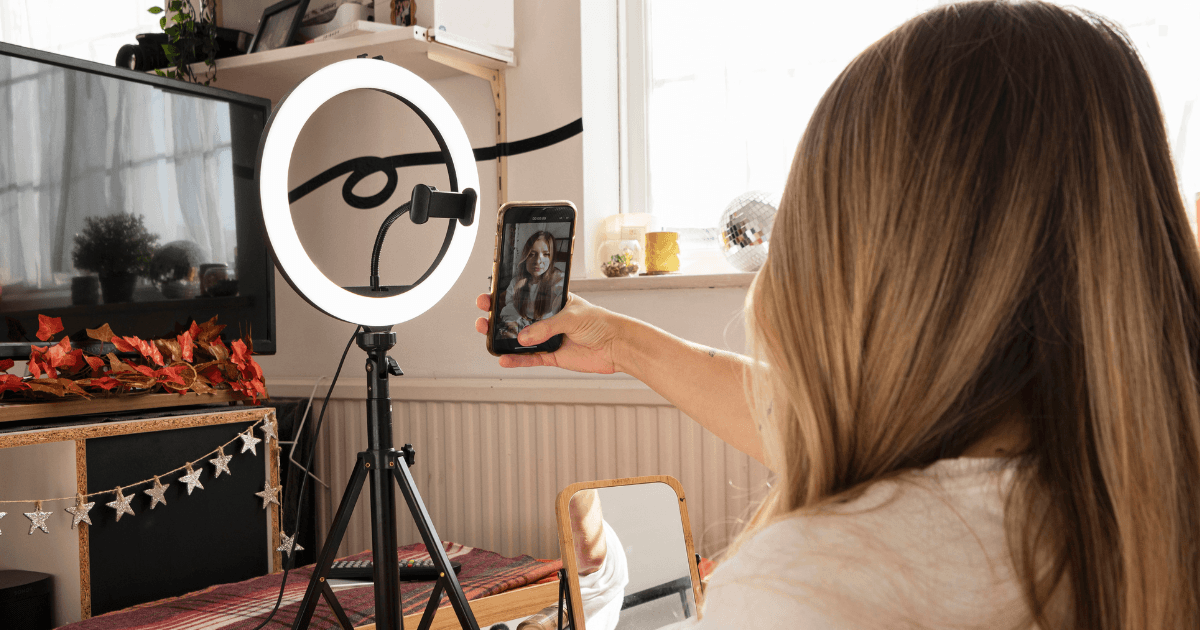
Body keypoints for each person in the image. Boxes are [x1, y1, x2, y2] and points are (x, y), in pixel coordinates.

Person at [476, 1, 1200, 628]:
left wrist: (605, 586)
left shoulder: (814, 582)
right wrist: (622, 341)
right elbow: (842, 431)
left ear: (873, 269)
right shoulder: (1149, 501)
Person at [497, 231, 565, 339]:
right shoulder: (516, 282)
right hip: (522, 330)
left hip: (547, 332)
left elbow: (561, 304)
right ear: (525, 257)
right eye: (532, 254)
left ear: (551, 257)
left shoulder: (558, 280)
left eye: (546, 254)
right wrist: (512, 328)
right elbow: (510, 314)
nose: (537, 261)